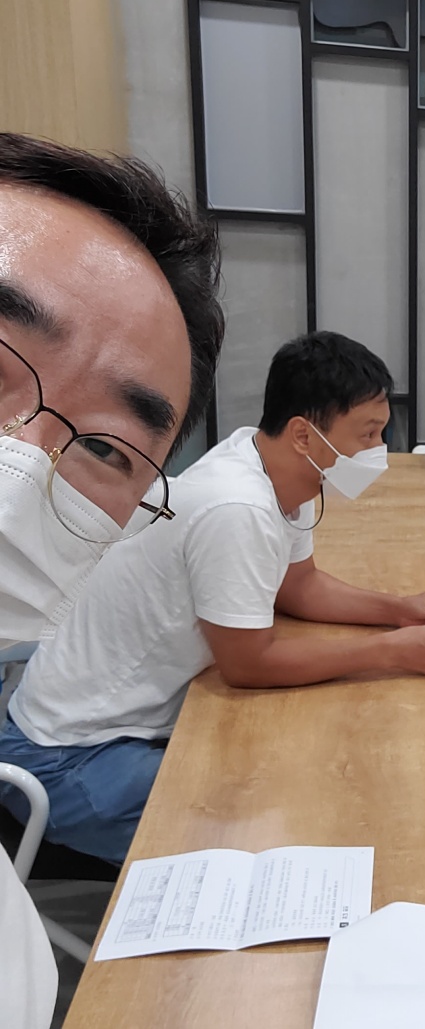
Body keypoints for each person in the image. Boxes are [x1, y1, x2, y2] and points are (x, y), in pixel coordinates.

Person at [0, 333, 425, 868]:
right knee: (281, 824)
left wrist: (400, 610)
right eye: (367, 434)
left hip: (126, 723)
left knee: (301, 773)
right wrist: (390, 652)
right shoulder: (237, 506)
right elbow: (249, 664)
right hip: (68, 756)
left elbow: (299, 586)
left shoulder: (276, 467)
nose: (378, 449)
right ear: (304, 434)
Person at [0, 134, 224, 1029]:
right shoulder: (238, 505)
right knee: (234, 819)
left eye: (104, 446)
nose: (26, 457)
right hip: (61, 748)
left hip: (74, 719)